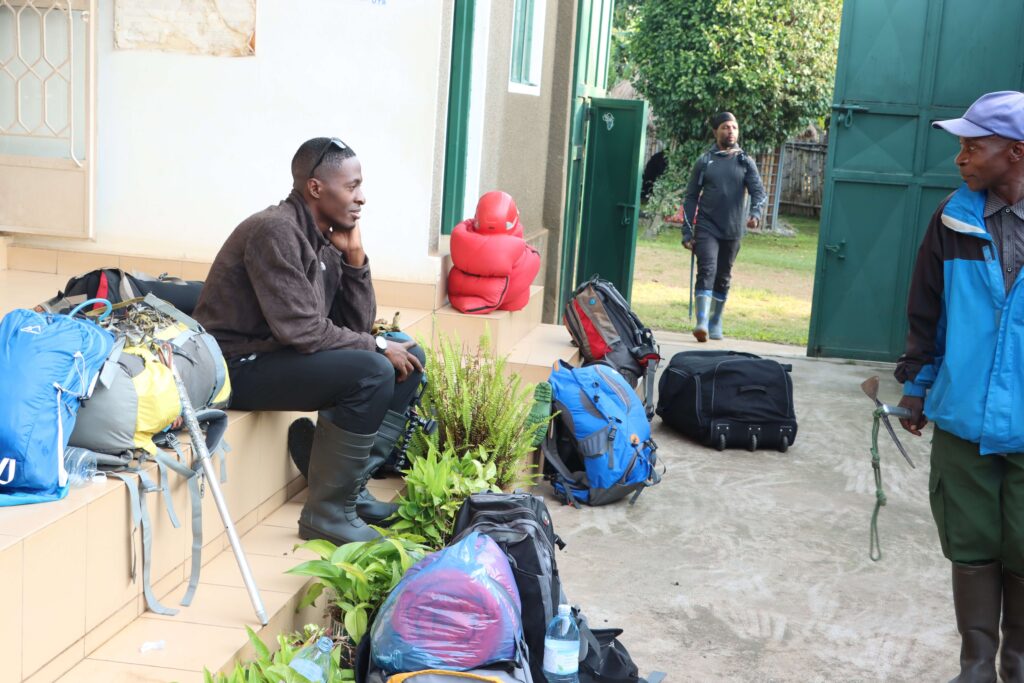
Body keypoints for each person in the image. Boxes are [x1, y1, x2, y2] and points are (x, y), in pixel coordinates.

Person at [193, 137, 425, 546]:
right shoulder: (275, 232)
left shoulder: (323, 237)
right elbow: (301, 331)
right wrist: (375, 348)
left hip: (277, 355)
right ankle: (327, 513)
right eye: (351, 187)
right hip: (235, 367)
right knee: (373, 368)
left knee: (407, 354)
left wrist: (355, 259)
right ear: (316, 188)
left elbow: (355, 325)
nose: (362, 198)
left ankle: (350, 489)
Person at [895, 90, 1024, 682]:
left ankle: (1016, 664)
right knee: (969, 541)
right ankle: (975, 666)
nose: (961, 158)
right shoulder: (953, 218)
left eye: (974, 146)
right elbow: (928, 314)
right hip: (964, 416)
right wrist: (918, 387)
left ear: (1015, 152)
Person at [681, 111, 766, 342]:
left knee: (723, 276)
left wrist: (755, 214)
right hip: (707, 227)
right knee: (707, 269)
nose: (731, 131)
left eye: (734, 127)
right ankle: (701, 323)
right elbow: (690, 198)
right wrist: (687, 231)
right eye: (726, 127)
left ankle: (715, 320)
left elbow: (759, 192)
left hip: (733, 229)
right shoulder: (704, 162)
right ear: (716, 131)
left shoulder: (745, 162)